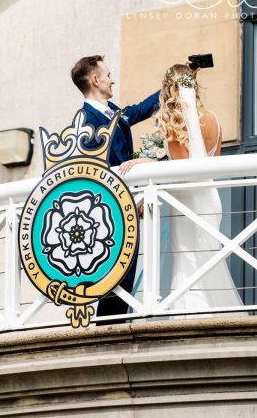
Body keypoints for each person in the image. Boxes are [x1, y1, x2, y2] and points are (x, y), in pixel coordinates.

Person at [70, 54, 159, 320]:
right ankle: (107, 334)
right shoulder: (84, 120)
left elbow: (142, 109)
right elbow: (95, 168)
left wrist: (174, 81)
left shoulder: (114, 113)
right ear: (95, 80)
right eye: (108, 75)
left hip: (125, 204)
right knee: (113, 275)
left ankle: (115, 328)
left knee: (126, 273)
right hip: (108, 211)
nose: (113, 79)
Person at [154, 64, 246, 316]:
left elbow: (183, 172)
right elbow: (211, 165)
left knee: (187, 260)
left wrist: (150, 164)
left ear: (168, 89)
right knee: (208, 259)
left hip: (187, 203)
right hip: (210, 200)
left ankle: (190, 316)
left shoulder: (175, 123)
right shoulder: (213, 119)